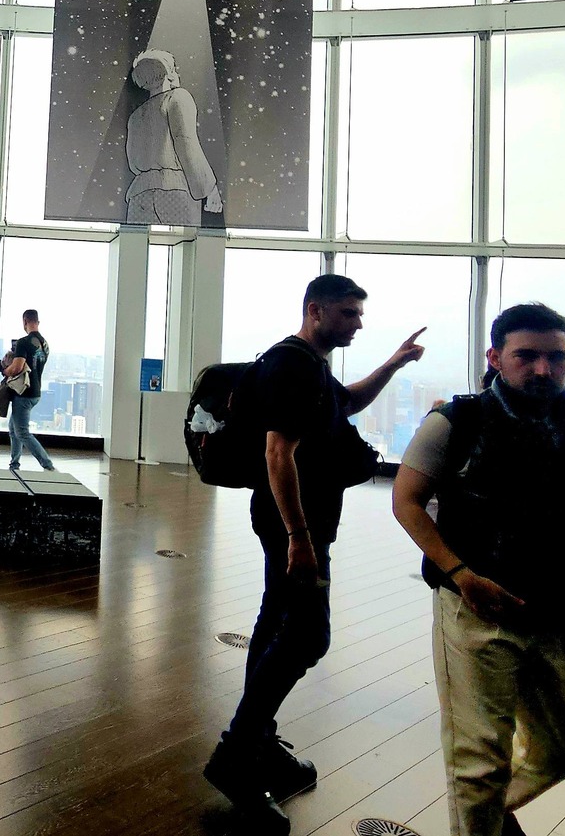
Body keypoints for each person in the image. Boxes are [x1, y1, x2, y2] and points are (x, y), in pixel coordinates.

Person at [391, 303, 565, 836]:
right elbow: (406, 500)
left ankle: (487, 818)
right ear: (495, 357)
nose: (544, 369)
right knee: (479, 762)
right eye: (527, 356)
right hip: (479, 610)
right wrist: (459, 574)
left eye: (557, 357)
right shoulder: (455, 422)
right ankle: (479, 820)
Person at [203, 273, 425, 833]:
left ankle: (258, 740)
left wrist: (394, 363)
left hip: (298, 522)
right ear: (315, 310)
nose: (357, 324)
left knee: (275, 622)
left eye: (360, 314)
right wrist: (299, 537)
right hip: (293, 525)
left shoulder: (311, 367)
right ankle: (237, 756)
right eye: (349, 313)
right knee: (308, 635)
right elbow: (278, 453)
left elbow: (348, 403)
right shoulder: (292, 366)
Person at [125, 49, 223, 226]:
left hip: (139, 194)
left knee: (137, 242)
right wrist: (209, 188)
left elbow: (133, 164)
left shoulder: (135, 116)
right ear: (167, 72)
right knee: (184, 241)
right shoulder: (178, 97)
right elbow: (187, 145)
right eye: (173, 68)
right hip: (174, 191)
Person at [2, 309, 53, 471]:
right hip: (36, 391)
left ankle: (48, 465)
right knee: (13, 428)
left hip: (24, 392)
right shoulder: (45, 344)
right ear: (38, 322)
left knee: (22, 432)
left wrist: (6, 370)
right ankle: (14, 464)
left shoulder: (23, 342)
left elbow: (17, 368)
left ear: (25, 321)